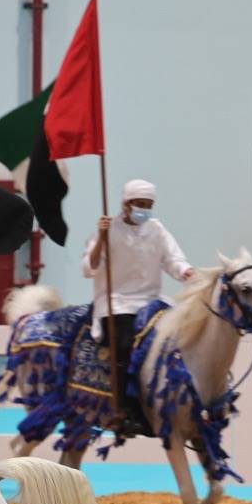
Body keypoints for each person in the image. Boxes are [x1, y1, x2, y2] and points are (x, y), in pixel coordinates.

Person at [82, 179, 194, 428]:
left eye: (148, 204)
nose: (143, 209)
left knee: (178, 338)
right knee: (123, 344)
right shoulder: (108, 229)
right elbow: (90, 268)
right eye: (139, 204)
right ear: (126, 204)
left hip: (151, 302)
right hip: (117, 302)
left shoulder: (156, 229)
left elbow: (173, 259)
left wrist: (187, 272)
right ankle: (122, 408)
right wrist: (101, 237)